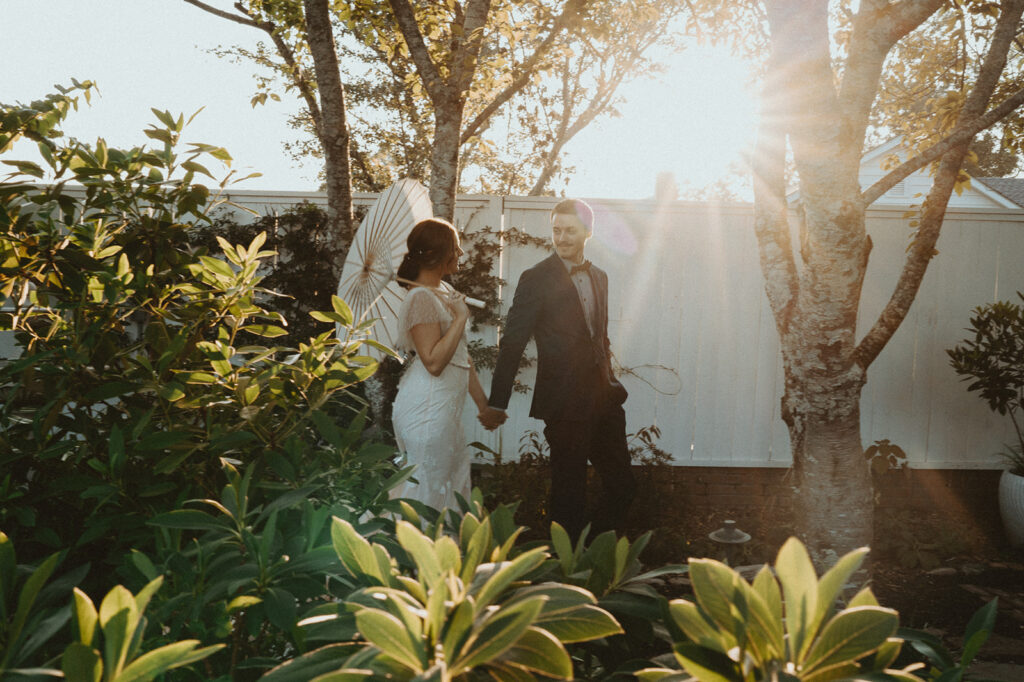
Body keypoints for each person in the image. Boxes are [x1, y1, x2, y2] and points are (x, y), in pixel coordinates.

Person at [478, 199, 635, 538]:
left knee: (624, 487)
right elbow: (513, 341)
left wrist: (609, 378)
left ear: (588, 233)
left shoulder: (600, 277)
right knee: (568, 493)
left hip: (604, 398)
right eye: (556, 230)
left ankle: (594, 548)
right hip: (563, 401)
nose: (561, 238)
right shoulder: (536, 278)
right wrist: (497, 402)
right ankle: (568, 572)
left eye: (570, 231)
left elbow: (599, 335)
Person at [390, 218, 499, 509]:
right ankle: (409, 551)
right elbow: (434, 363)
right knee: (428, 484)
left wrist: (483, 406)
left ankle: (441, 552)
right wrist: (461, 318)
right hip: (426, 407)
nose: (461, 253)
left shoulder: (445, 292)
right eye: (456, 247)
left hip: (445, 410)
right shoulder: (420, 299)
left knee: (449, 482)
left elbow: (461, 356)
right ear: (438, 254)